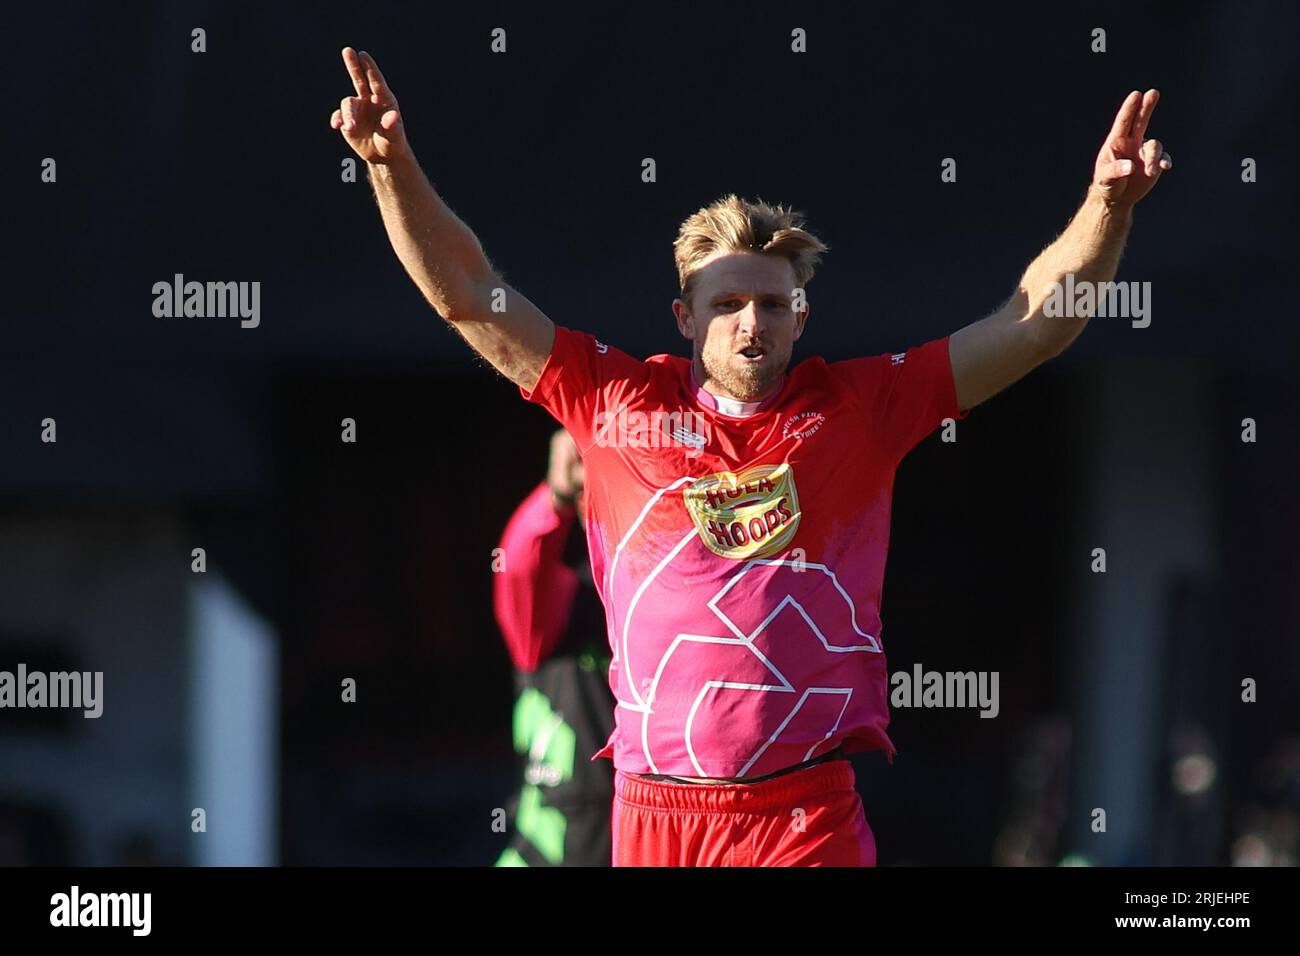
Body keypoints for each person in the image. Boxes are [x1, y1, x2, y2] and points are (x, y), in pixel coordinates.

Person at [330, 47, 1172, 865]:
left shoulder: (861, 409)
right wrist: (390, 166)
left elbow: (1034, 325)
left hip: (802, 812)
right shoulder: (612, 399)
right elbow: (467, 296)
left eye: (772, 303)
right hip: (655, 809)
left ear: (801, 318)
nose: (750, 322)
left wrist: (1109, 205)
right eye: (726, 302)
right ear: (684, 317)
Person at [492, 430, 614, 866]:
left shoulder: (680, 597)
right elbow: (519, 566)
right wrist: (557, 494)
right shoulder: (566, 596)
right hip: (552, 845)